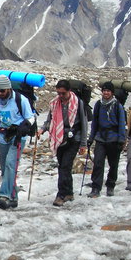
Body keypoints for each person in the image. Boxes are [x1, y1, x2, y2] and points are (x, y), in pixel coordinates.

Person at [37, 79, 88, 207]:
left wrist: (83, 144)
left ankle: (60, 195)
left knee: (65, 166)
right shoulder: (54, 103)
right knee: (63, 165)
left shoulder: (78, 103)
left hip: (73, 138)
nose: (60, 96)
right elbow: (50, 119)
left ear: (69, 91)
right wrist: (42, 129)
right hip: (58, 138)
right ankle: (69, 192)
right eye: (58, 93)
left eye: (63, 93)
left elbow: (83, 123)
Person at [0, 73, 35, 209]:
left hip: (18, 136)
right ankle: (14, 197)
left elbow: (31, 117)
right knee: (5, 168)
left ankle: (4, 196)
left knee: (10, 164)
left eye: (2, 91)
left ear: (9, 88)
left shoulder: (21, 100)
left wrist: (25, 125)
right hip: (3, 135)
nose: (0, 93)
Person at [87, 81, 126, 197]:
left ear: (112, 93)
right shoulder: (98, 105)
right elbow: (94, 123)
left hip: (114, 139)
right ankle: (96, 188)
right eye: (104, 91)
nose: (106, 93)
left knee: (113, 164)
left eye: (108, 91)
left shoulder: (118, 106)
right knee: (98, 163)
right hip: (101, 138)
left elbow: (121, 124)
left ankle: (110, 186)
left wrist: (121, 139)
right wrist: (91, 138)